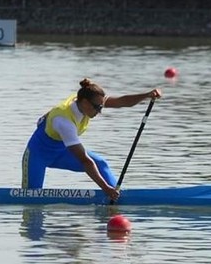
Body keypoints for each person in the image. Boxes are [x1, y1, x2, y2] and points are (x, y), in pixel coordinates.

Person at [21, 78, 162, 201]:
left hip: (61, 152)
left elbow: (120, 102)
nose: (100, 111)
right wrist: (104, 188)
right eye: (97, 107)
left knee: (100, 163)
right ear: (85, 103)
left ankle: (118, 196)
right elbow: (85, 161)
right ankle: (110, 192)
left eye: (102, 106)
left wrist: (147, 95)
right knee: (32, 197)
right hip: (38, 155)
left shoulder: (88, 101)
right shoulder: (64, 121)